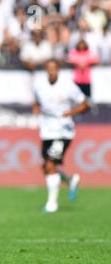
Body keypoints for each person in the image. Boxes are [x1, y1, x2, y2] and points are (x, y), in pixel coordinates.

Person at [32, 59, 90, 213]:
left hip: (63, 131)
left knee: (50, 164)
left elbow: (85, 105)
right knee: (46, 166)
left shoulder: (68, 86)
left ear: (58, 70)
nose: (51, 71)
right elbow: (36, 102)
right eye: (48, 69)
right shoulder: (39, 86)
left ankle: (52, 204)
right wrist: (36, 109)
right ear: (46, 70)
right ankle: (70, 181)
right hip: (46, 131)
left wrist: (70, 113)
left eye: (54, 69)